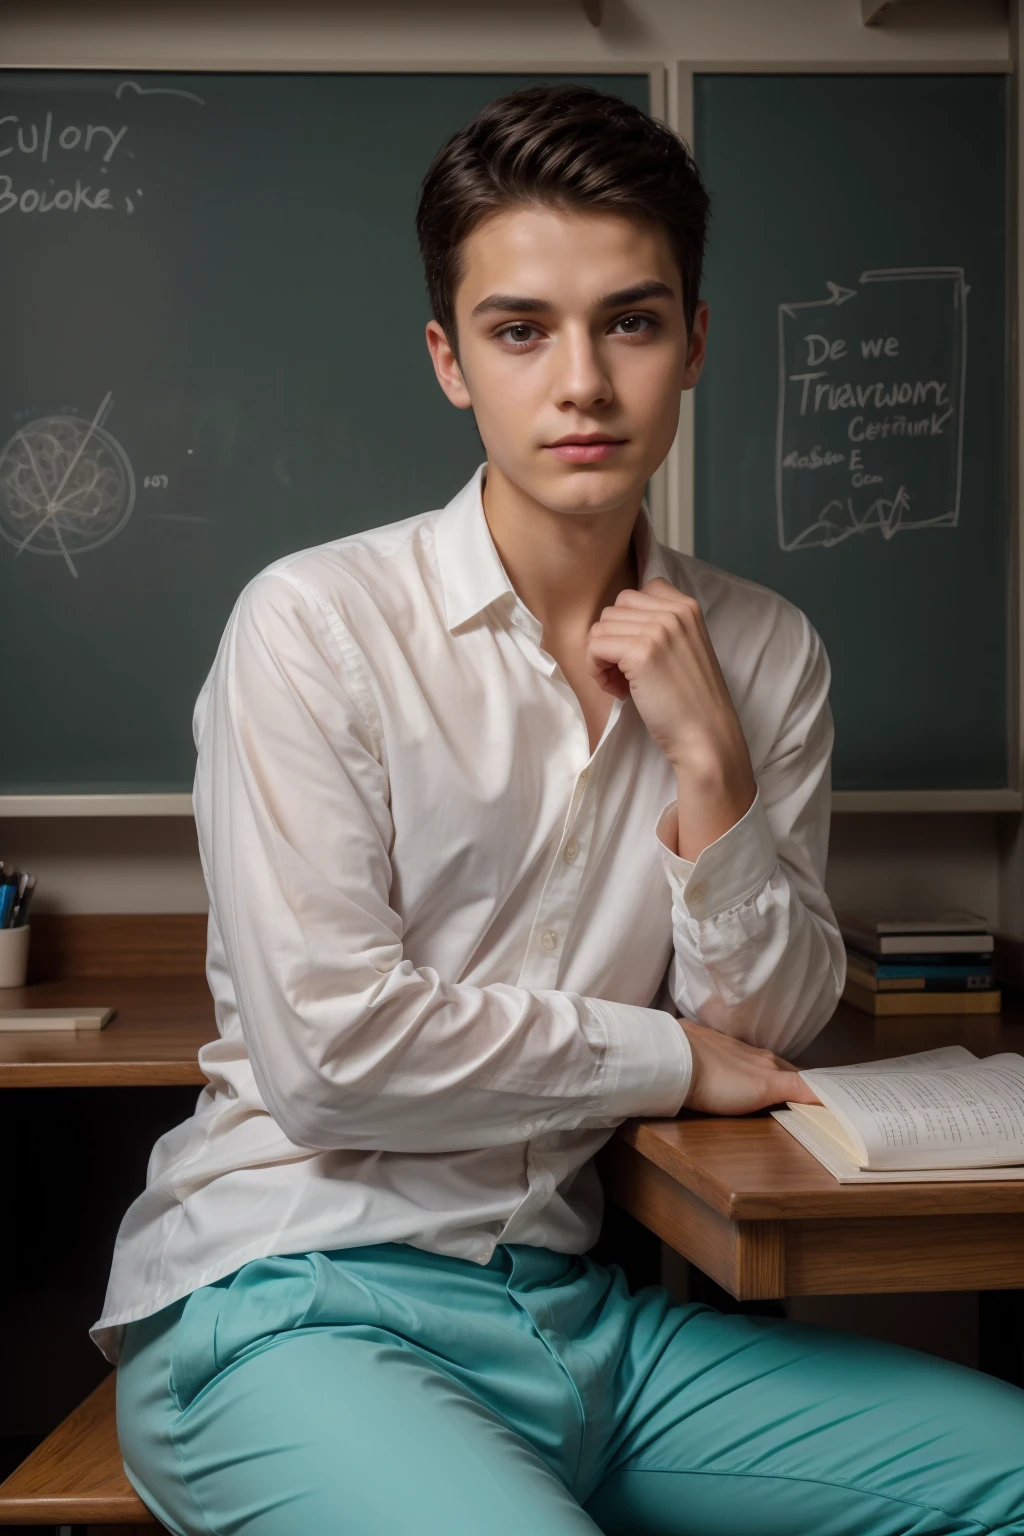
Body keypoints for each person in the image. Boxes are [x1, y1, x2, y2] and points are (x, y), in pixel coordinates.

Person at [100, 83, 1024, 1535]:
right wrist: (663, 1056)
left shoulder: (765, 648)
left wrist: (712, 772)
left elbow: (767, 1031)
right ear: (450, 361)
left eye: (632, 323)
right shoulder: (315, 622)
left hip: (584, 1325)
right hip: (293, 1299)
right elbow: (334, 1052)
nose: (581, 382)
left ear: (695, 343)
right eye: (521, 330)